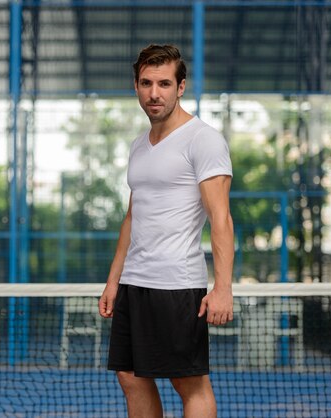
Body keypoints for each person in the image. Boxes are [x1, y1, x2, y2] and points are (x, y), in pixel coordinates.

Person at [98, 44, 234, 418]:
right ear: (136, 87)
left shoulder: (202, 139)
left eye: (163, 83)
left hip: (177, 284)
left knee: (188, 383)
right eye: (146, 83)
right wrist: (114, 281)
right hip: (134, 282)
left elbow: (221, 218)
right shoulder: (139, 145)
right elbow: (132, 216)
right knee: (129, 375)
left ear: (181, 87)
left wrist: (223, 288)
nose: (154, 93)